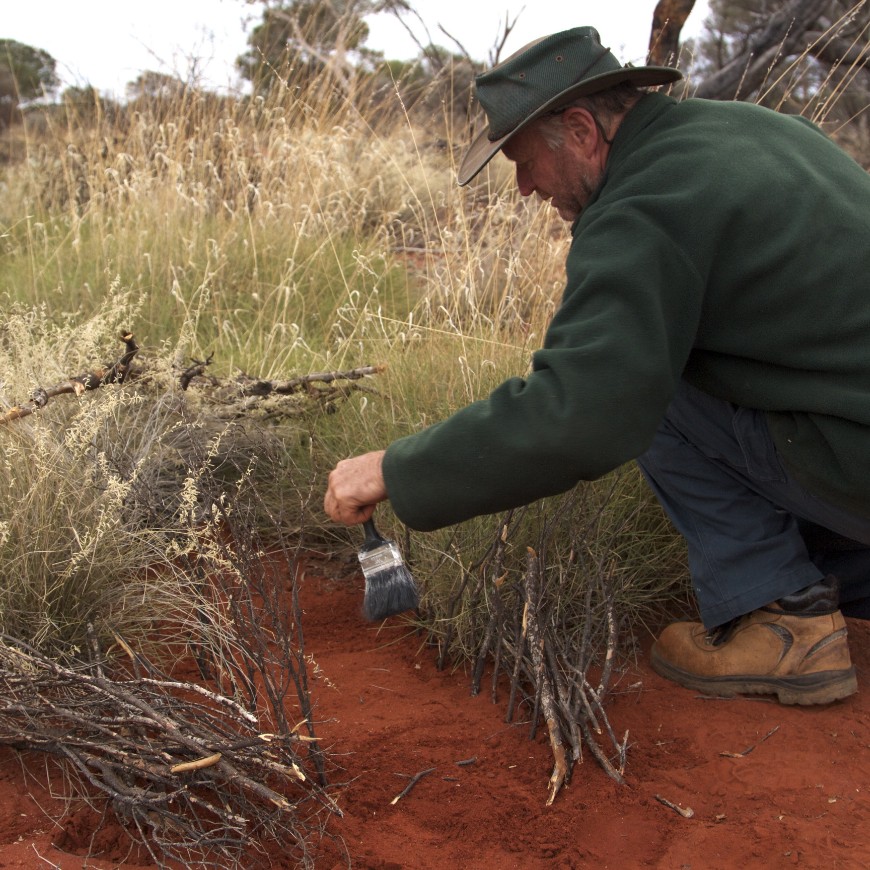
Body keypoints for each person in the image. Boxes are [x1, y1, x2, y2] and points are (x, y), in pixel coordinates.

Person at [324, 26, 870, 706]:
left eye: (524, 162)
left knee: (650, 388)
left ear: (581, 129)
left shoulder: (643, 207)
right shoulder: (751, 130)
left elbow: (583, 409)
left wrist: (393, 468)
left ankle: (785, 620)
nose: (523, 188)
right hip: (847, 427)